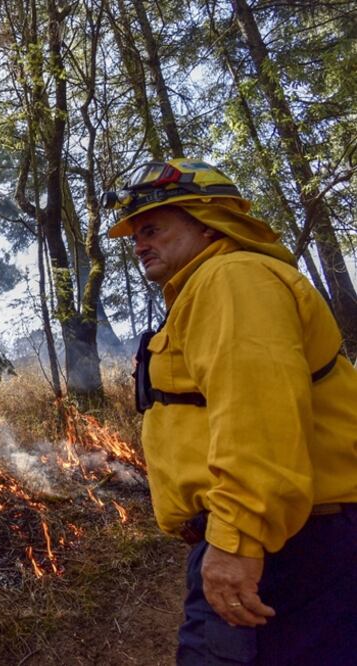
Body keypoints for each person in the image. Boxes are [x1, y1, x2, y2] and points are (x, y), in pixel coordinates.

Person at [102, 158, 357, 665]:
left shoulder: (233, 279)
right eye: (134, 236)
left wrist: (237, 541)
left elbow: (258, 417)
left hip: (286, 545)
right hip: (277, 538)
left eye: (152, 228)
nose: (139, 245)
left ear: (205, 221)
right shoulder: (208, 288)